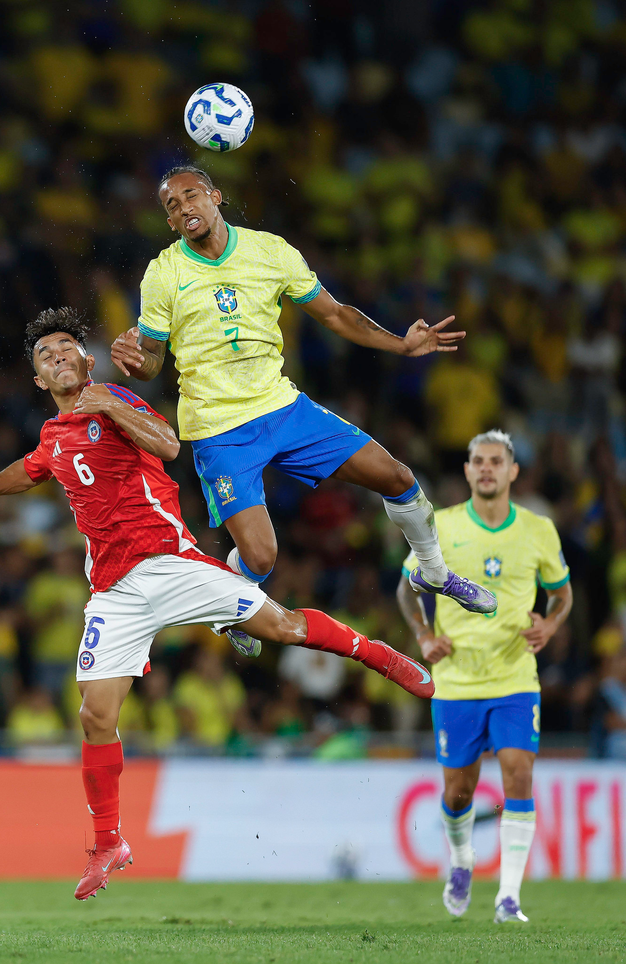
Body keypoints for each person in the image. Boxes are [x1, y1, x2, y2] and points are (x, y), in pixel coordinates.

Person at [0, 308, 435, 902]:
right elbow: (33, 468)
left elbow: (169, 444)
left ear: (87, 360)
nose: (58, 355)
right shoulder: (53, 436)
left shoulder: (115, 398)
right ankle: (108, 843)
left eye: (67, 346)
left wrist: (110, 404)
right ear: (38, 380)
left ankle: (384, 658)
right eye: (46, 354)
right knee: (95, 715)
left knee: (282, 627)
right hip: (114, 591)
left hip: (169, 561)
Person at [110, 165, 496, 661]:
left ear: (215, 196)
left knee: (398, 476)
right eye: (172, 205)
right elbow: (153, 361)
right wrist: (136, 362)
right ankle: (229, 606)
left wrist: (400, 344)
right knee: (260, 558)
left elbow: (334, 314)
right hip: (218, 429)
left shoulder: (270, 252)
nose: (185, 208)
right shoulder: (164, 273)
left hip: (283, 408)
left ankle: (435, 572)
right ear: (168, 221)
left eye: (192, 195)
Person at [396, 430, 573, 924]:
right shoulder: (443, 526)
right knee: (459, 792)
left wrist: (550, 624)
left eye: (497, 461)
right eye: (479, 461)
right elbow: (407, 589)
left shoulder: (538, 529)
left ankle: (509, 898)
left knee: (519, 772)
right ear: (467, 470)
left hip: (515, 678)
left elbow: (562, 594)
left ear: (513, 471)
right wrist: (424, 635)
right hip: (456, 681)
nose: (487, 468)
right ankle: (461, 860)